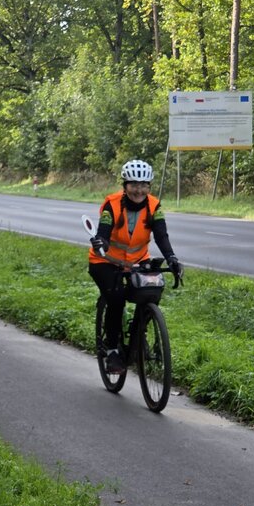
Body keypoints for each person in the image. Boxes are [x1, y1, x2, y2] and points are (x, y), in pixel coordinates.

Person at [88, 159, 182, 375]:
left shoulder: (154, 206)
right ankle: (112, 350)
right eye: (133, 185)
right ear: (125, 185)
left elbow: (161, 235)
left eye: (143, 185)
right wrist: (101, 242)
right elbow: (103, 231)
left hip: (136, 261)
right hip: (105, 261)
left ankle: (140, 335)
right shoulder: (112, 205)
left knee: (150, 291)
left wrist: (171, 258)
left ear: (149, 186)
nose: (138, 190)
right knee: (116, 298)